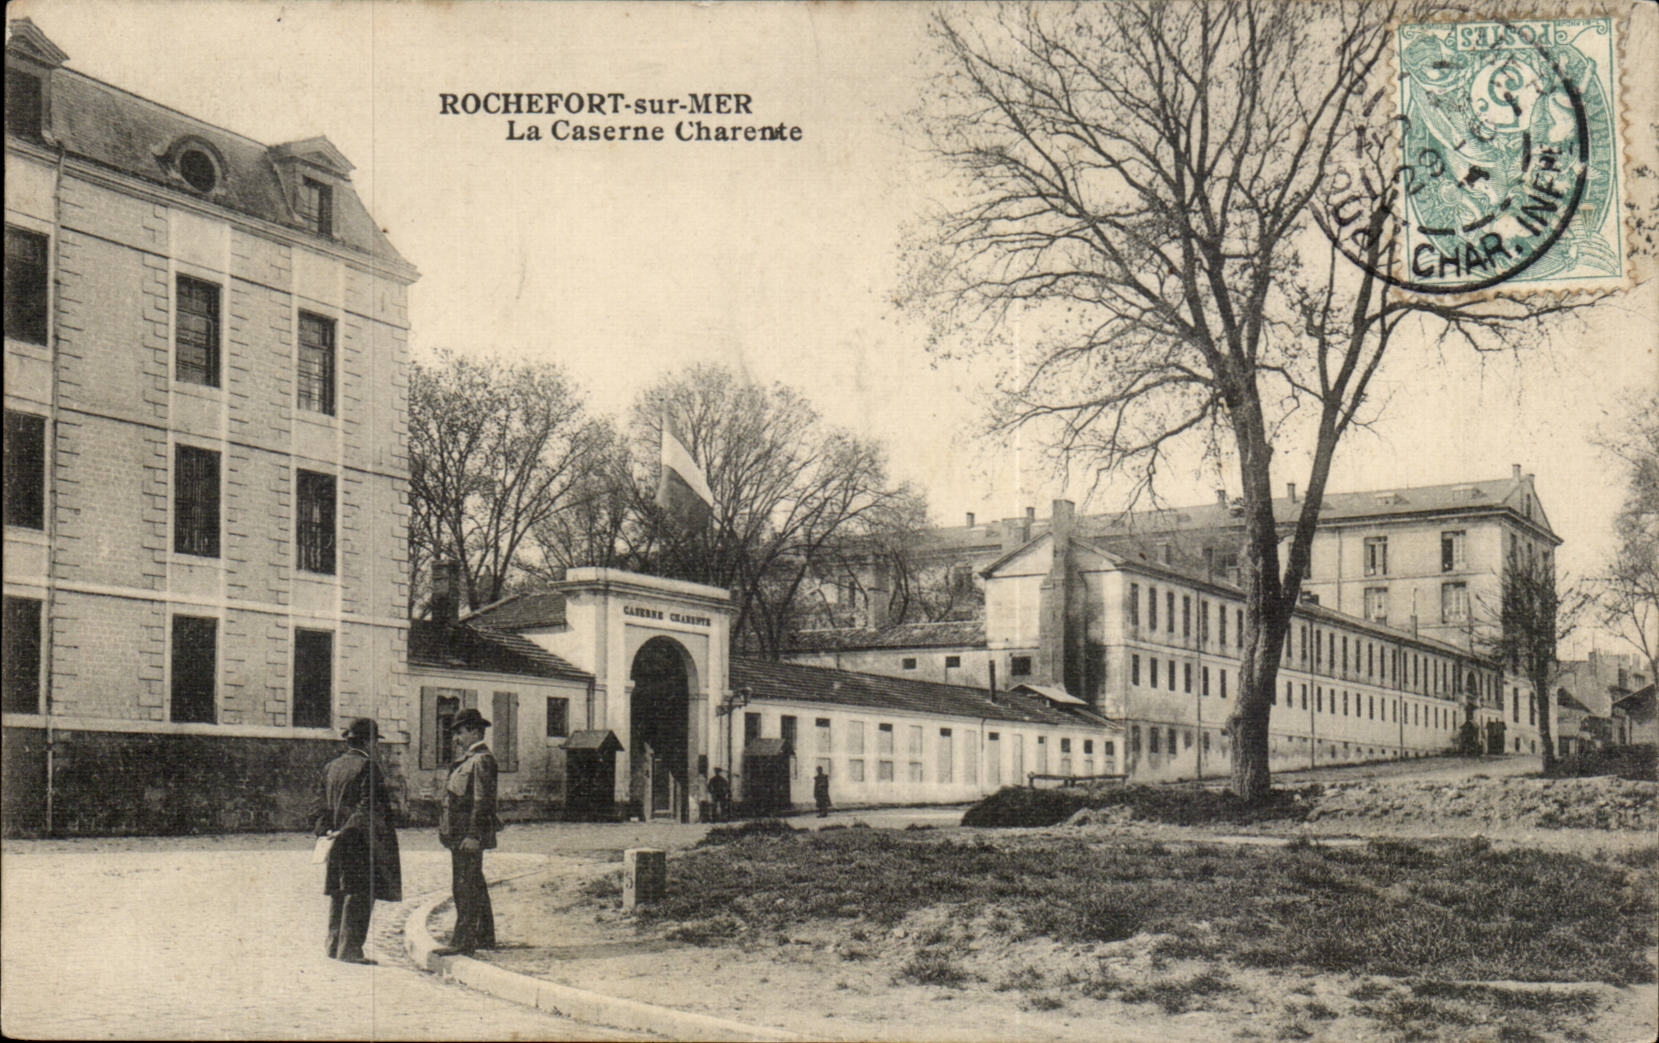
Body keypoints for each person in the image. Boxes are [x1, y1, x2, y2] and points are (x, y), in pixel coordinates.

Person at [312, 717, 403, 964]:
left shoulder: (332, 767)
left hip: (335, 838)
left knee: (338, 891)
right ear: (369, 742)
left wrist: (325, 829)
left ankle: (333, 946)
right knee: (360, 892)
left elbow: (319, 803)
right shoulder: (368, 767)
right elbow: (368, 806)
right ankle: (350, 950)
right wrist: (348, 830)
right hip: (361, 840)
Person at [435, 707, 498, 954]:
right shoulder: (469, 760)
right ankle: (484, 936)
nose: (456, 739)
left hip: (468, 836)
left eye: (460, 733)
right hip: (459, 835)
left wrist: (474, 834)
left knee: (465, 886)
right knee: (474, 883)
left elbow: (482, 802)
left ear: (474, 732)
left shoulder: (481, 760)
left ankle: (462, 941)